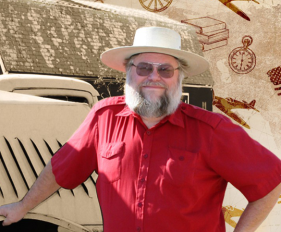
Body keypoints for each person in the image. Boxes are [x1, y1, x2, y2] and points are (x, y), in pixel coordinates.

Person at [0, 26, 281, 232]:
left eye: (165, 70)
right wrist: (23, 206)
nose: (153, 77)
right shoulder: (102, 116)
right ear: (128, 72)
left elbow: (269, 183)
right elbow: (61, 169)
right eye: (144, 67)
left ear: (178, 78)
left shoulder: (211, 130)